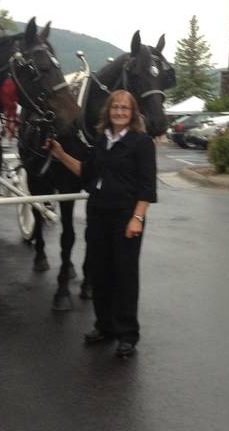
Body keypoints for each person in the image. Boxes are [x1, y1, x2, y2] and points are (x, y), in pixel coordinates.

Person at [47, 89, 157, 357]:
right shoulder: (100, 140)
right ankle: (105, 326)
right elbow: (86, 172)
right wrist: (60, 154)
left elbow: (147, 187)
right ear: (108, 111)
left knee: (124, 276)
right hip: (97, 214)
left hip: (125, 218)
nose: (119, 112)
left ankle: (127, 333)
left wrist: (137, 218)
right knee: (100, 272)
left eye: (125, 108)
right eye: (115, 107)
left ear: (133, 114)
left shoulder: (141, 143)